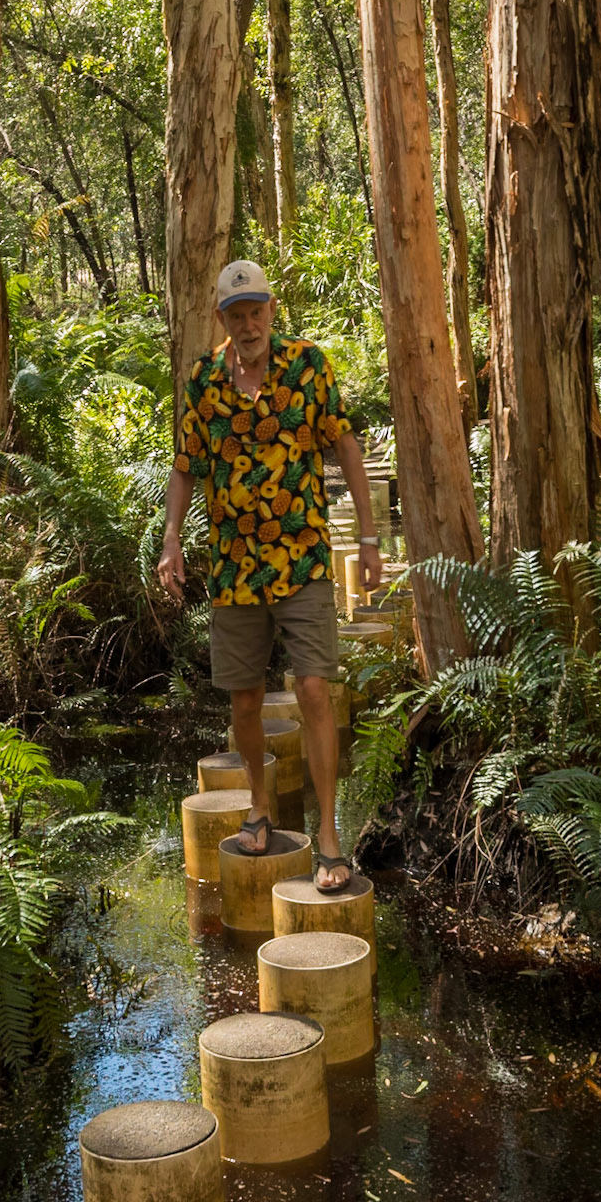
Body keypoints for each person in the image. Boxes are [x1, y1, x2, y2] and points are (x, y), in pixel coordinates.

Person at [157, 259, 382, 891]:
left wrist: (368, 539)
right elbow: (184, 466)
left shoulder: (309, 366)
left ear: (271, 311)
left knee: (313, 689)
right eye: (237, 315)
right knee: (246, 699)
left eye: (257, 312)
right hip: (234, 566)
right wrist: (171, 540)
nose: (249, 324)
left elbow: (345, 446)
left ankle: (329, 837)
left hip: (304, 555)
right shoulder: (204, 379)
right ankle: (259, 807)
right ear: (222, 320)